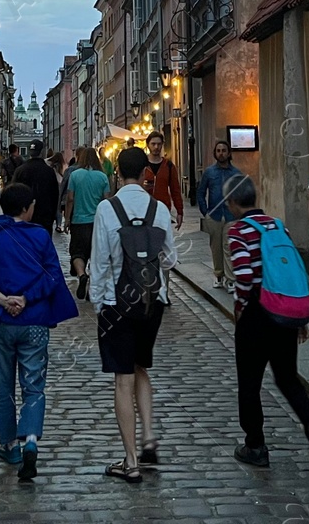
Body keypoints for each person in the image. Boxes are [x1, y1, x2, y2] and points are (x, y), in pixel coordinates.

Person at [0, 182, 80, 481]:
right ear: (25, 208)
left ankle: (8, 445)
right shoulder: (39, 236)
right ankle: (30, 439)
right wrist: (25, 299)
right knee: (34, 385)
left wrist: (3, 300)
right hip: (33, 321)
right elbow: (52, 278)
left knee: (2, 387)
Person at [225, 175, 309, 472]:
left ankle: (256, 445)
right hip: (284, 309)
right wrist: (298, 317)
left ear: (233, 203)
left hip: (256, 314)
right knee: (287, 377)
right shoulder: (277, 224)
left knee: (249, 383)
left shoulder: (238, 231)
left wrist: (240, 309)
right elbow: (293, 271)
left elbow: (245, 277)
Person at [89, 145, 178, 484]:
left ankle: (130, 461)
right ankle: (149, 436)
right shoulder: (158, 209)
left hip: (117, 303)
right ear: (146, 174)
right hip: (152, 302)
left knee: (122, 378)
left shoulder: (106, 209)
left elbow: (99, 263)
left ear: (117, 172)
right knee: (141, 367)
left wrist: (100, 303)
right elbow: (169, 259)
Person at [196, 140, 245, 290]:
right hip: (215, 215)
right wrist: (206, 212)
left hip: (231, 216)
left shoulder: (236, 173)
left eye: (224, 150)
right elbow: (200, 192)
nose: (221, 153)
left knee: (229, 246)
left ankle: (230, 279)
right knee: (216, 247)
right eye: (218, 151)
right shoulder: (209, 173)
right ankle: (218, 275)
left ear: (229, 153)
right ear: (215, 153)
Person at [64, 147, 109, 299]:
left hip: (79, 221)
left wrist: (67, 219)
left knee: (77, 253)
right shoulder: (102, 177)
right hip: (97, 223)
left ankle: (82, 274)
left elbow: (70, 199)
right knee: (95, 255)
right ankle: (92, 289)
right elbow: (106, 200)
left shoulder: (75, 175)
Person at [11, 140, 61, 232]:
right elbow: (55, 195)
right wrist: (52, 216)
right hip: (44, 218)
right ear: (42, 152)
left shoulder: (20, 171)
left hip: (24, 217)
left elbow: (13, 194)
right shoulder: (49, 171)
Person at [141, 132, 184, 228]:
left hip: (163, 209)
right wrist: (142, 186)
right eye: (153, 144)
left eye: (159, 144)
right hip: (144, 209)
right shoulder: (142, 164)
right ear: (148, 145)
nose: (156, 147)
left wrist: (179, 211)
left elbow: (175, 190)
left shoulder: (168, 166)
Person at [49, 151, 67, 231]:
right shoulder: (63, 165)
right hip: (60, 187)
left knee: (52, 205)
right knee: (58, 207)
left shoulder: (50, 165)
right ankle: (59, 225)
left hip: (51, 186)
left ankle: (52, 221)